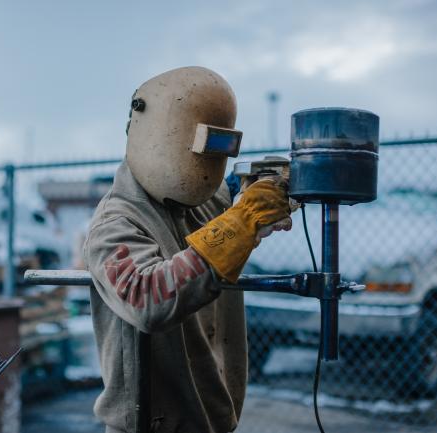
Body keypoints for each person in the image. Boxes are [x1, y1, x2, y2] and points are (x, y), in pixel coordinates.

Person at [83, 66, 292, 433]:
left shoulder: (204, 202)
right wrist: (243, 221)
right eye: (206, 148)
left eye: (220, 149)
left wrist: (268, 190)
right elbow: (147, 299)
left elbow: (229, 198)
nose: (208, 165)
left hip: (211, 420)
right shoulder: (115, 223)